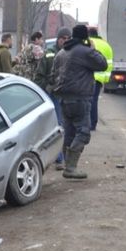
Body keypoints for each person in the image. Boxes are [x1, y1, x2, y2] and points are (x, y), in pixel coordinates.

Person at [51, 24, 108, 180]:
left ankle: (66, 165)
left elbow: (53, 75)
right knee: (83, 132)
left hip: (63, 99)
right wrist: (92, 47)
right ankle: (70, 168)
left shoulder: (61, 53)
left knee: (69, 132)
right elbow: (102, 64)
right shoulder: (85, 51)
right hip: (80, 98)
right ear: (85, 37)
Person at [35, 27, 70, 170]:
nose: (66, 41)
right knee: (58, 125)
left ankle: (63, 156)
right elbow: (39, 77)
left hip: (67, 95)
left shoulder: (71, 53)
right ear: (59, 39)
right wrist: (46, 90)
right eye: (64, 38)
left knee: (67, 126)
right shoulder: (49, 54)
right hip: (53, 95)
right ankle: (59, 158)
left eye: (68, 38)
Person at [88, 27, 113, 131]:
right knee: (94, 100)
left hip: (88, 76)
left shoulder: (88, 42)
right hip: (99, 78)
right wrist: (105, 78)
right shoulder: (106, 45)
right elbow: (110, 63)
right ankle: (93, 123)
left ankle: (89, 123)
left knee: (87, 100)